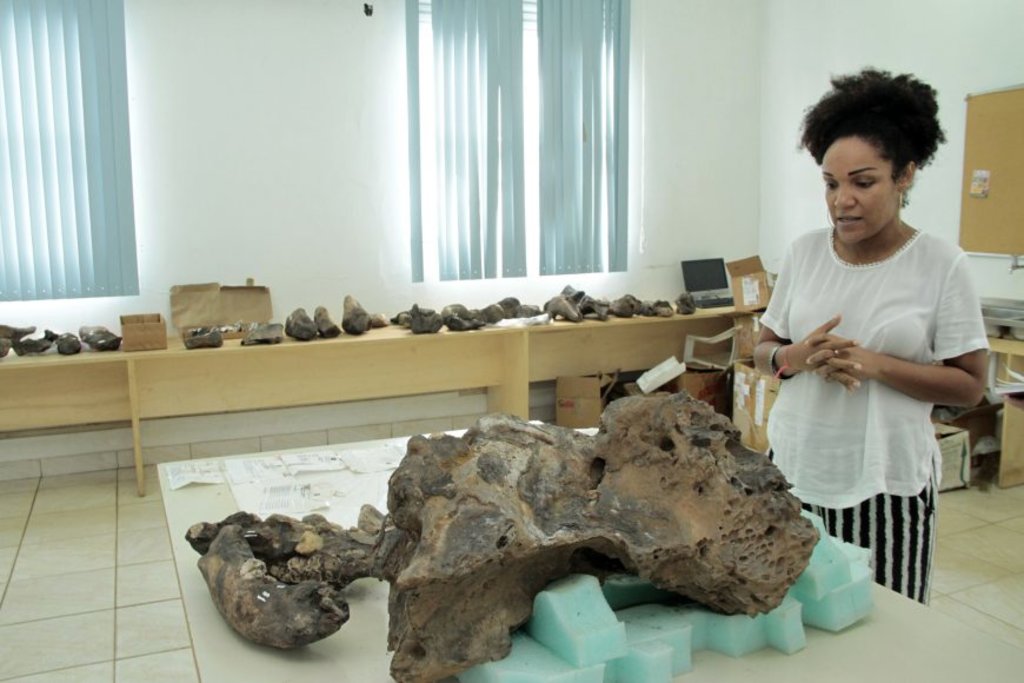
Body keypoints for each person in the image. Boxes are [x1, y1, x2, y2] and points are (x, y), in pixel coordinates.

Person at [754, 68, 989, 604]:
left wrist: (876, 364)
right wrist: (796, 356)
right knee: (791, 613)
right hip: (793, 472)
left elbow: (970, 387)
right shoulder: (805, 253)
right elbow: (762, 351)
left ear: (905, 175)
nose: (842, 200)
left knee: (887, 621)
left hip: (887, 483)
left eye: (863, 183)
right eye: (831, 184)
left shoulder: (941, 264)